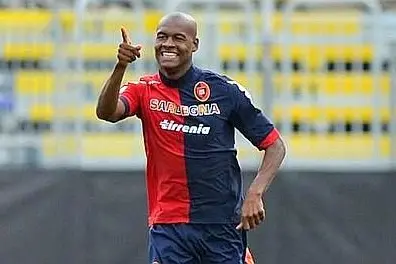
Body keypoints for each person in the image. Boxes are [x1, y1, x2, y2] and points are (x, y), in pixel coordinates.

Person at [96, 12, 286, 264]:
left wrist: (255, 194)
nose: (168, 44)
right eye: (162, 37)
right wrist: (120, 66)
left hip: (222, 224)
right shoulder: (144, 90)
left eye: (178, 38)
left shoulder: (223, 91)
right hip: (169, 225)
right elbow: (106, 112)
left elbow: (274, 145)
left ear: (194, 45)